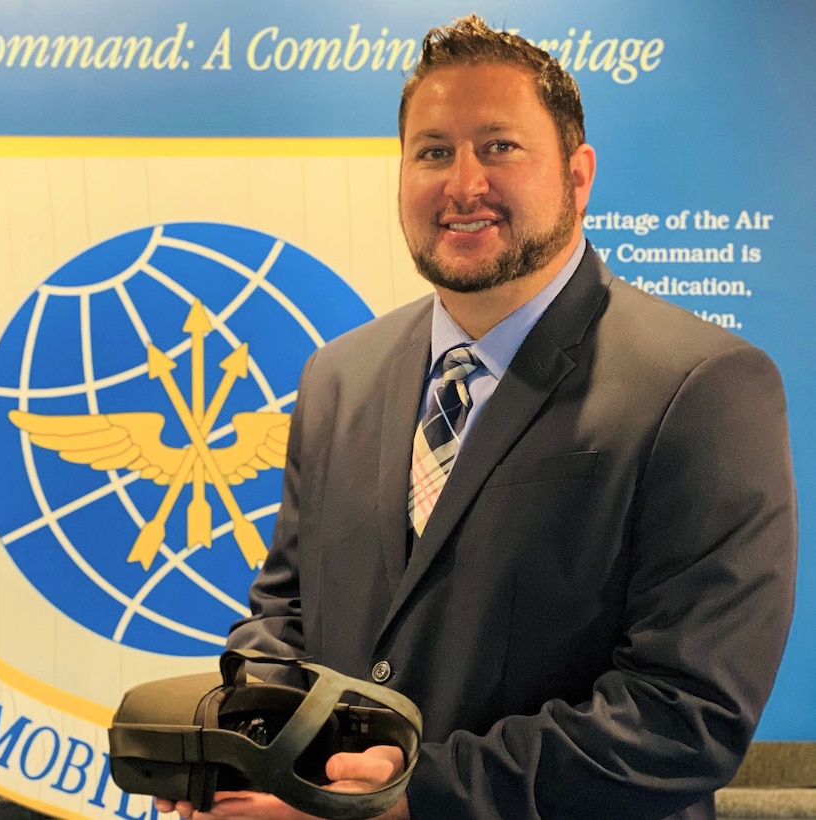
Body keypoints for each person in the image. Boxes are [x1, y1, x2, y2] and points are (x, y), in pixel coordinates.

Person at [157, 14, 797, 820]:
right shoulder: (338, 377)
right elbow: (286, 618)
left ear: (577, 173)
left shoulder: (702, 387)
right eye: (432, 151)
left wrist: (406, 797)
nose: (462, 183)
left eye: (498, 146)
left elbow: (682, 716)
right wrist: (236, 757)